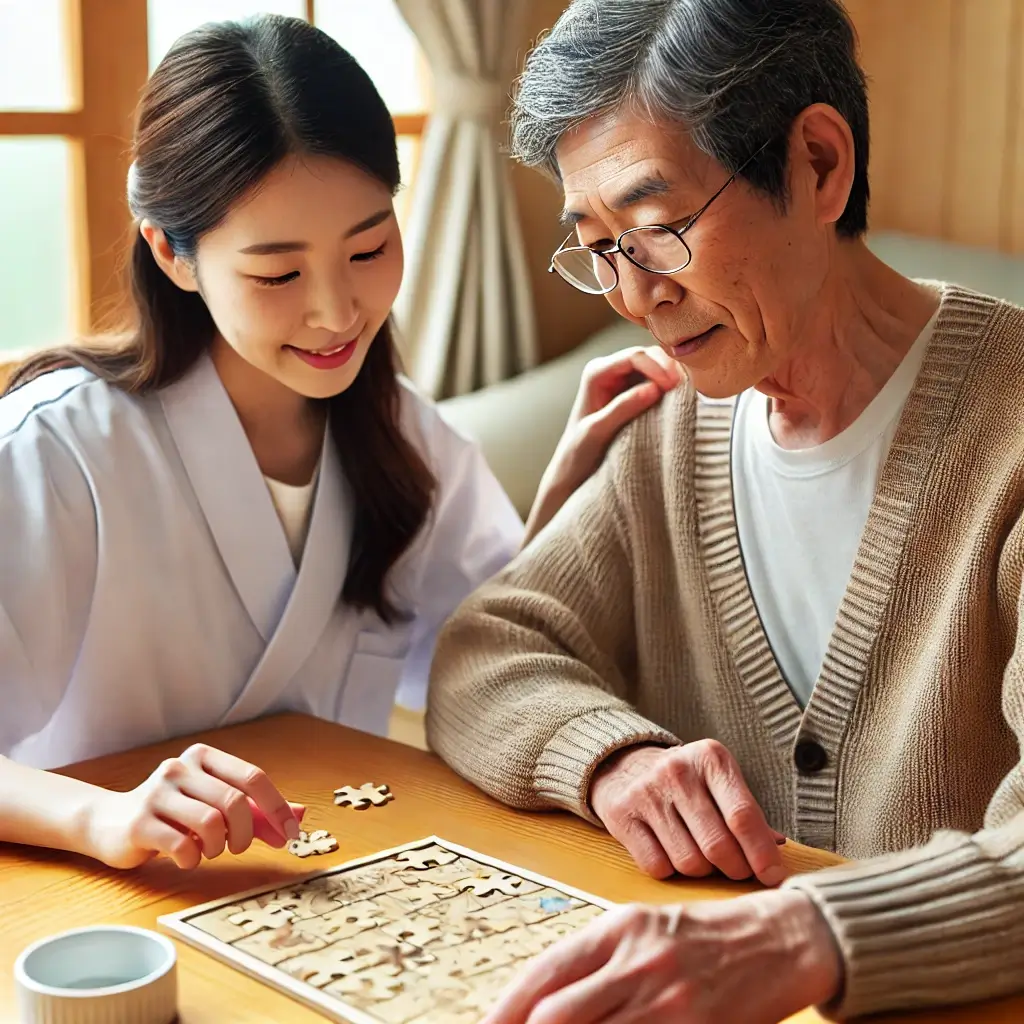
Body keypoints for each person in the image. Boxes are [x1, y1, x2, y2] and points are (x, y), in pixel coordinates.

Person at [427, 0, 1024, 1020]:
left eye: (657, 230)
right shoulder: (665, 429)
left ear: (819, 165)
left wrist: (807, 935)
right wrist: (613, 759)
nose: (632, 296)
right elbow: (486, 652)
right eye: (598, 246)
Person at [0, 15, 681, 874]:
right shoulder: (55, 450)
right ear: (172, 254)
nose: (336, 312)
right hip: (100, 896)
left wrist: (570, 491)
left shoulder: (409, 441)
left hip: (336, 881)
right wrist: (104, 817)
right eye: (278, 273)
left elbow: (489, 653)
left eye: (368, 248)